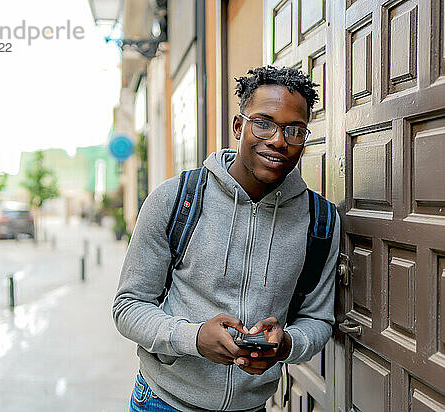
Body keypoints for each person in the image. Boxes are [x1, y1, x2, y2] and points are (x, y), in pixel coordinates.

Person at [113, 65, 341, 412]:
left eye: (294, 130)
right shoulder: (176, 198)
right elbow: (129, 306)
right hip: (164, 402)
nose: (278, 141)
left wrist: (287, 344)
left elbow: (319, 318)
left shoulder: (321, 220)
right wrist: (194, 338)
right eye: (263, 122)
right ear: (239, 126)